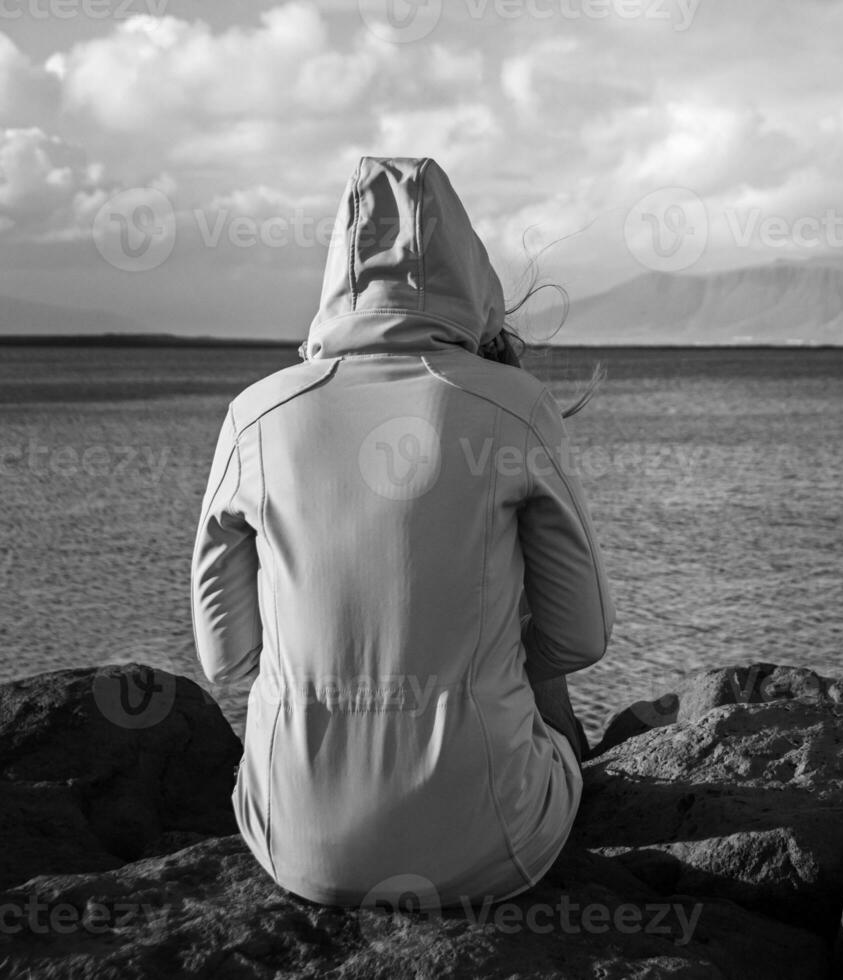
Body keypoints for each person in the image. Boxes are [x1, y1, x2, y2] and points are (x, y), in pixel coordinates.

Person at [189, 156, 613, 910]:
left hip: (295, 846)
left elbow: (227, 659)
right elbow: (581, 637)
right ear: (469, 269)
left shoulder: (255, 415)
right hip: (495, 844)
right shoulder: (515, 405)